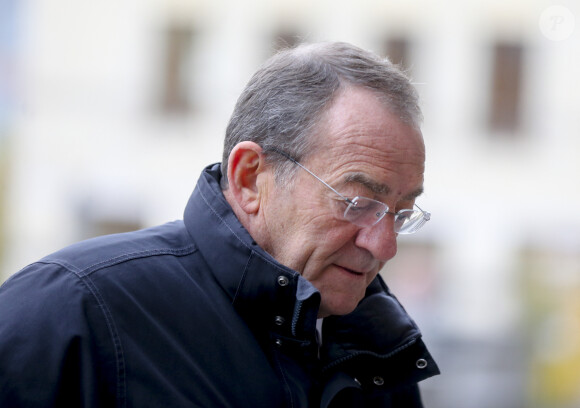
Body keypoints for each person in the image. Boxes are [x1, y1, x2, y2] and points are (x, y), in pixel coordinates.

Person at [0, 41, 439, 407]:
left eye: (401, 213)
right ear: (249, 177)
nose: (384, 246)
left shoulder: (381, 354)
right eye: (358, 201)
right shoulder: (71, 311)